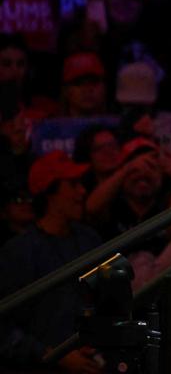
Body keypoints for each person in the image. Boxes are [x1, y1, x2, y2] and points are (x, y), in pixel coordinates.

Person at [0, 151, 103, 373]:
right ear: (50, 193)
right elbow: (5, 328)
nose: (82, 191)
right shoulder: (19, 252)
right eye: (73, 184)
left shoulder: (89, 239)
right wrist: (52, 355)